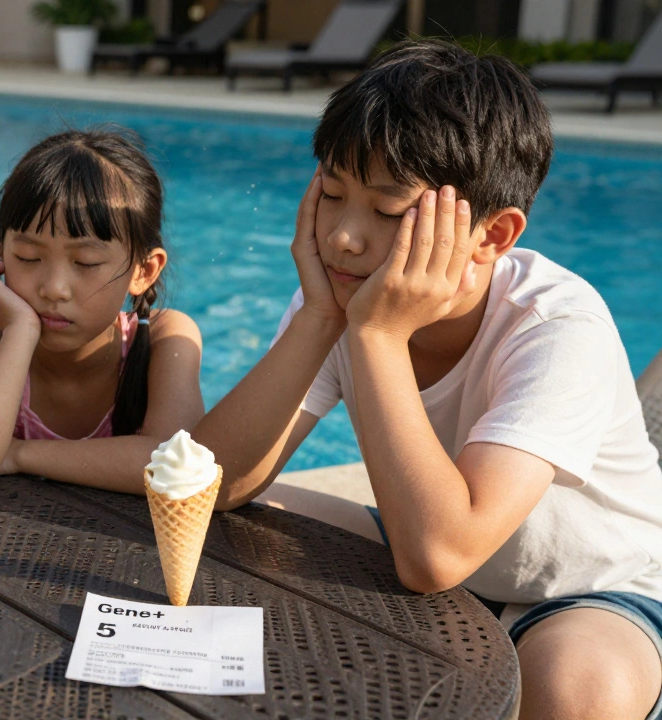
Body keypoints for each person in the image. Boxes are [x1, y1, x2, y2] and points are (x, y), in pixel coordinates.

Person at [194, 41, 662, 719]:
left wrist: (379, 336)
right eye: (332, 194)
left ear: (492, 236)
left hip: (587, 588)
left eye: (388, 212)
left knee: (574, 689)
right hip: (419, 535)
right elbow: (213, 483)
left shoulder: (556, 325)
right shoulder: (339, 296)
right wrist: (320, 320)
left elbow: (439, 556)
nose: (344, 237)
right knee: (223, 530)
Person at [0, 129, 204, 494]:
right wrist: (20, 330)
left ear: (143, 271)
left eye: (86, 262)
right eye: (27, 258)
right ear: (0, 255)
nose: (54, 288)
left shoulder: (166, 339)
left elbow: (179, 468)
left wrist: (18, 454)